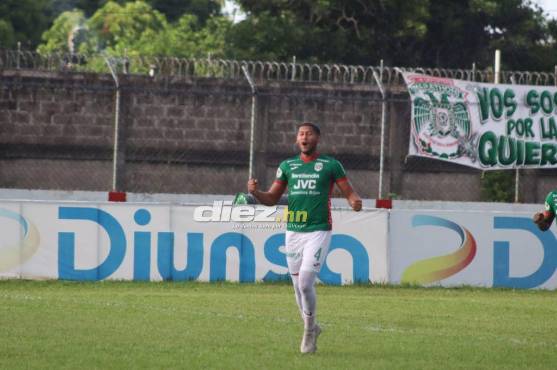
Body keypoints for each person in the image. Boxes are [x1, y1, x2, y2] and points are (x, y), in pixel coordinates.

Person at [247, 122, 362, 354]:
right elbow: (271, 198)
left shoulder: (330, 165)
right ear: (296, 140)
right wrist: (255, 193)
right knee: (297, 287)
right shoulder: (287, 166)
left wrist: (354, 201)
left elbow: (349, 191)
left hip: (319, 230)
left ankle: (309, 331)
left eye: (308, 133)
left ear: (317, 138)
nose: (304, 137)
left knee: (306, 281)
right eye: (301, 134)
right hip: (293, 232)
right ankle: (313, 327)